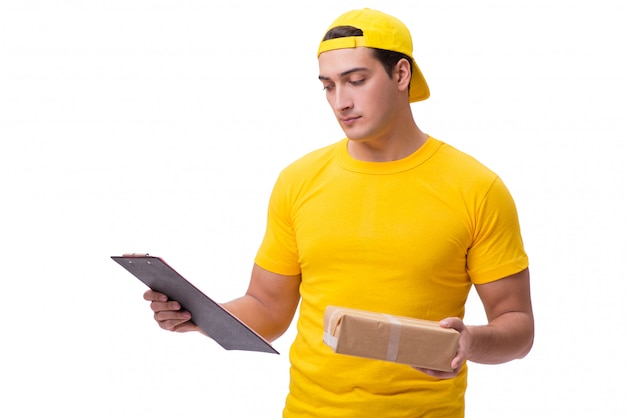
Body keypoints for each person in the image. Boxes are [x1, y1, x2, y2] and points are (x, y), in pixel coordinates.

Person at [144, 8, 534, 417]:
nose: (340, 102)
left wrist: (469, 341)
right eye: (328, 86)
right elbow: (268, 308)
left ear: (401, 75)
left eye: (356, 80)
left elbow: (518, 327)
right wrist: (201, 316)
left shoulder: (476, 188)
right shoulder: (298, 180)